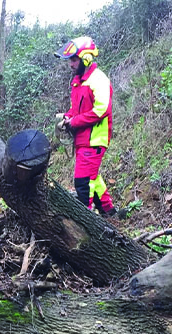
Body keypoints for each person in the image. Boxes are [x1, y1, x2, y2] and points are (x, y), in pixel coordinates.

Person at [55, 36, 116, 218]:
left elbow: (101, 110)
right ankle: (109, 212)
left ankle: (86, 222)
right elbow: (76, 108)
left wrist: (74, 122)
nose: (71, 65)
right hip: (83, 139)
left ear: (86, 58)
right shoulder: (78, 81)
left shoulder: (98, 79)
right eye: (70, 61)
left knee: (82, 182)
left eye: (74, 60)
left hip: (95, 139)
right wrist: (67, 117)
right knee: (93, 177)